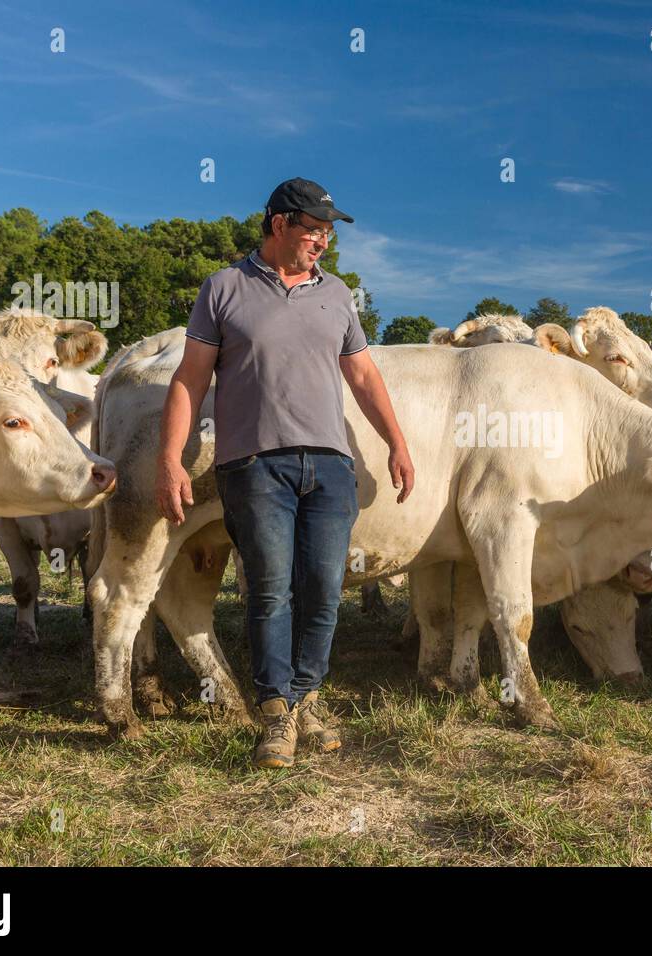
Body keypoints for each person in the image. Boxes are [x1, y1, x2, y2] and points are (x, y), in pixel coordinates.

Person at [156, 177, 414, 769]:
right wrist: (170, 459)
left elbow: (365, 377)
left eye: (328, 233)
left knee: (324, 589)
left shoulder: (339, 295)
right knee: (269, 588)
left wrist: (397, 442)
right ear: (279, 225)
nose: (323, 241)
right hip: (253, 465)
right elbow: (190, 380)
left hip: (329, 464)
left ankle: (307, 697)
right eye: (314, 229)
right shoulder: (224, 288)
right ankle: (276, 712)